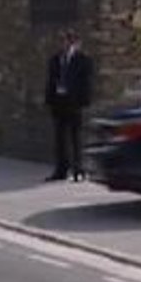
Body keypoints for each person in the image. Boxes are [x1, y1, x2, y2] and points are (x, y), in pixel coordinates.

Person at [44, 29, 93, 182]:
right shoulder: (55, 59)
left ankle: (79, 168)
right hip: (59, 102)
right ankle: (61, 169)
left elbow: (86, 82)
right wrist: (50, 99)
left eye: (66, 41)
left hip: (74, 102)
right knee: (60, 138)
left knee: (76, 136)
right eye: (62, 41)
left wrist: (82, 100)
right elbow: (51, 80)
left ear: (72, 42)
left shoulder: (82, 59)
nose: (63, 44)